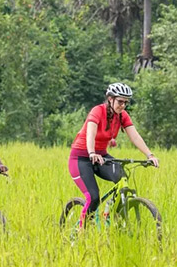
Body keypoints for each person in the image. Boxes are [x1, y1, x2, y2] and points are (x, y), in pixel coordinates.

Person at [68, 82, 159, 228]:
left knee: (122, 177)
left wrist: (150, 155)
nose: (123, 105)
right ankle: (81, 232)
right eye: (120, 101)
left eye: (125, 102)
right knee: (93, 197)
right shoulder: (97, 111)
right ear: (110, 99)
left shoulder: (122, 116)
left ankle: (112, 217)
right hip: (81, 158)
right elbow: (90, 132)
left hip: (101, 157)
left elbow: (134, 136)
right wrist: (91, 152)